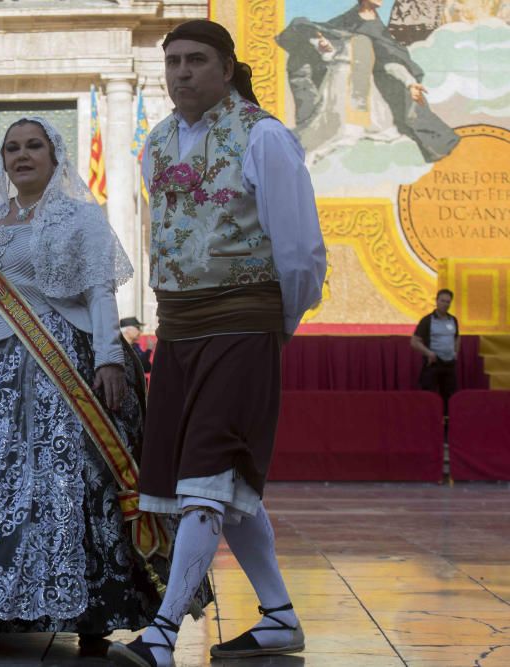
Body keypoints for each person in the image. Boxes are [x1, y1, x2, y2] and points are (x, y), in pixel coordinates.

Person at [0, 118, 181, 649]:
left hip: (55, 369)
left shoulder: (79, 217)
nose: (21, 156)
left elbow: (98, 292)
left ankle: (93, 612)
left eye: (33, 146)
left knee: (65, 484)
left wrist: (110, 357)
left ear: (54, 154)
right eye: (11, 148)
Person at [108, 20, 326, 667]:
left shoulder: (264, 138)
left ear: (227, 68)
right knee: (222, 486)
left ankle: (163, 633)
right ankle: (280, 616)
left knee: (205, 479)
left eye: (196, 60)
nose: (181, 72)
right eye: (172, 60)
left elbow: (300, 250)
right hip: (179, 332)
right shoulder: (155, 143)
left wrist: (273, 323)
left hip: (241, 324)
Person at [277, 0, 459, 163]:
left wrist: (410, 82)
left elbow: (390, 60)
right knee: (324, 136)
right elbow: (316, 44)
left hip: (367, 97)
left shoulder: (376, 28)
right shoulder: (344, 25)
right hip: (339, 94)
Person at [411, 288, 459, 411]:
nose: (445, 304)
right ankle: (429, 420)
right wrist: (428, 353)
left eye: (448, 302)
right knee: (429, 396)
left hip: (449, 365)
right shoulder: (427, 321)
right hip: (433, 363)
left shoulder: (453, 320)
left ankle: (447, 423)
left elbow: (457, 337)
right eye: (442, 301)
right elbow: (414, 341)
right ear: (436, 301)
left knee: (450, 396)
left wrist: (455, 352)